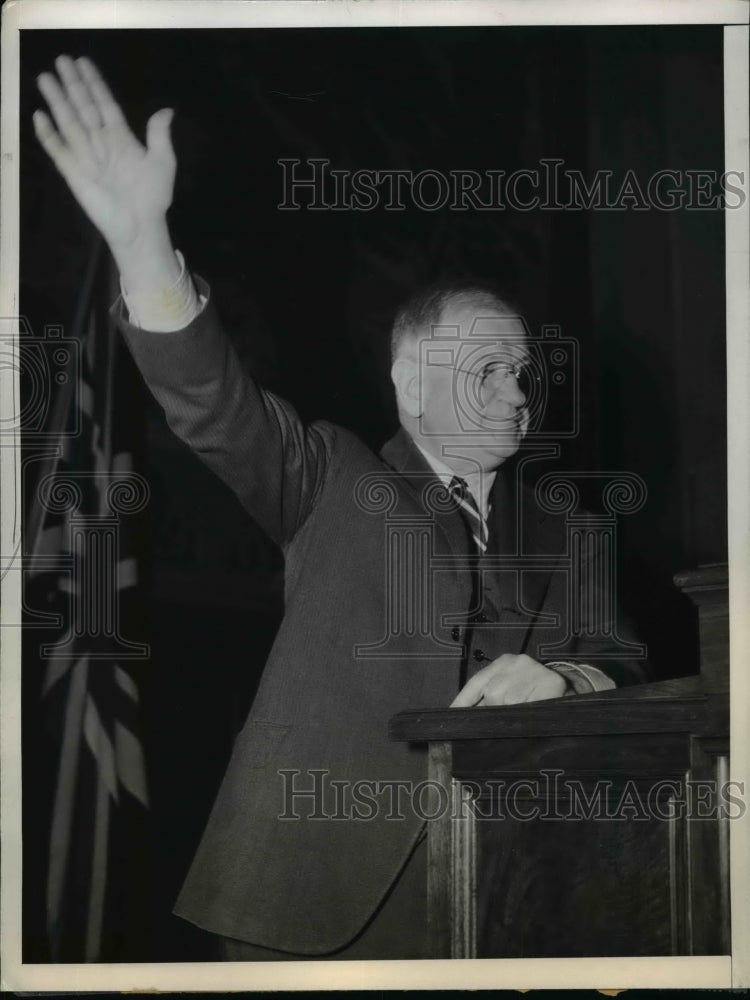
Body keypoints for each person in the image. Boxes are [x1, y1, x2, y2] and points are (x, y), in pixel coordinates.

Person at [33, 55, 648, 960]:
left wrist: (565, 679)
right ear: (412, 384)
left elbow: (625, 661)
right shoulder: (331, 474)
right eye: (486, 369)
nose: (518, 393)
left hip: (512, 900)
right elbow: (215, 403)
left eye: (524, 373)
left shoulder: (572, 533)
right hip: (308, 903)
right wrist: (142, 243)